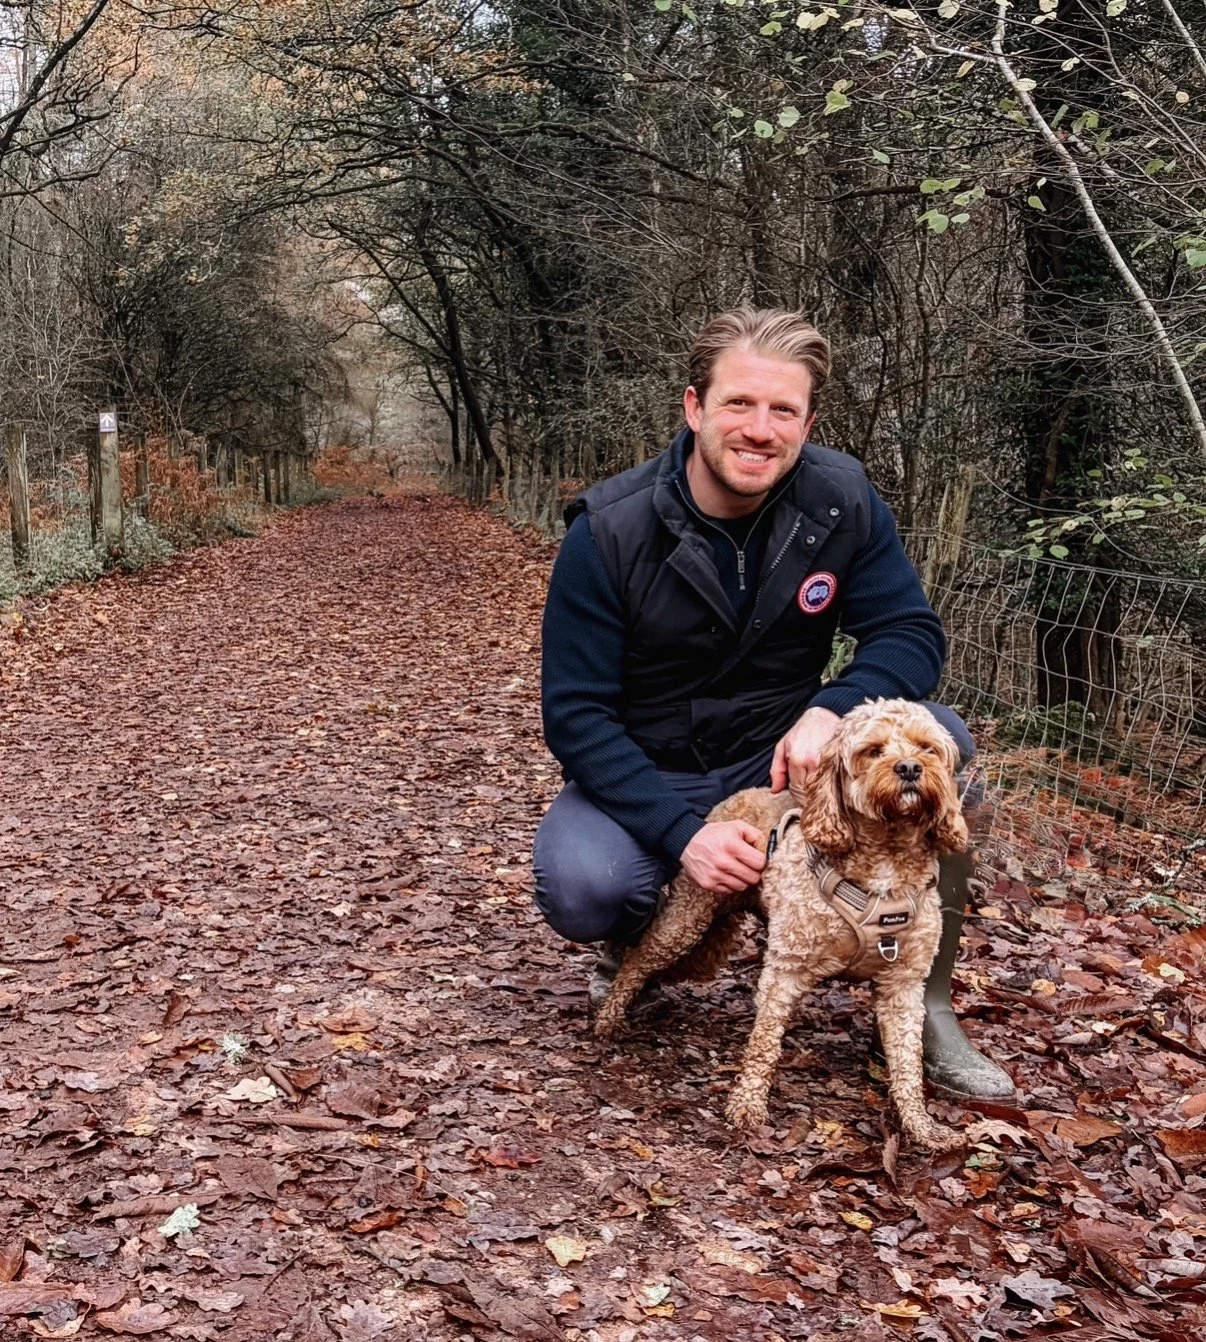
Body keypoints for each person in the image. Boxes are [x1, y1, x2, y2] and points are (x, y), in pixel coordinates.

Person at [533, 306, 1013, 1103]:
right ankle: (637, 947)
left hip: (789, 756)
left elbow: (909, 632)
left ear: (807, 422)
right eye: (738, 404)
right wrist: (687, 836)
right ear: (694, 409)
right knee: (586, 884)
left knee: (945, 744)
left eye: (782, 410)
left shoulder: (842, 501)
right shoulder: (607, 533)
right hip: (658, 768)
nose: (760, 429)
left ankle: (926, 1001)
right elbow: (575, 715)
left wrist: (835, 708)